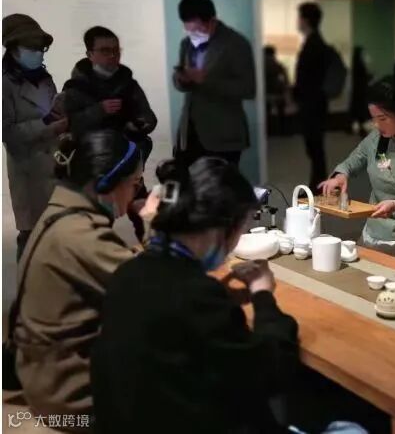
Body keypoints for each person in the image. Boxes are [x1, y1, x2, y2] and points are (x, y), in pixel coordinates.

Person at [92, 157, 299, 434]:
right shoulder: (198, 296)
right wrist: (262, 294)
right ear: (222, 228)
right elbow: (272, 369)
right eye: (240, 230)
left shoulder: (127, 274)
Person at [10, 129, 145, 426]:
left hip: (43, 375)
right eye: (135, 184)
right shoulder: (80, 234)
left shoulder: (61, 211)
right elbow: (153, 290)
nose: (136, 194)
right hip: (70, 398)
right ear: (106, 184)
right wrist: (155, 230)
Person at [319, 79, 395, 256]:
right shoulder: (376, 138)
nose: (377, 125)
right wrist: (341, 175)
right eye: (374, 119)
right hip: (371, 233)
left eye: (383, 118)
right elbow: (354, 160)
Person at [62, 26, 157, 242]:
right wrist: (99, 111)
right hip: (94, 167)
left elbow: (149, 118)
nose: (113, 56)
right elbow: (70, 125)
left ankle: (153, 252)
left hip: (126, 161)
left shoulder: (128, 84)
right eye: (105, 50)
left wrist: (136, 126)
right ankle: (100, 256)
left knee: (143, 214)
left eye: (116, 50)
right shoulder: (76, 87)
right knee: (98, 221)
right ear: (90, 54)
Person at [2, 14, 68, 260]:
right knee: (31, 235)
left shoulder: (44, 78)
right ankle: (27, 280)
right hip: (27, 168)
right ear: (13, 48)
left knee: (56, 231)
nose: (38, 53)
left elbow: (50, 110)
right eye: (31, 47)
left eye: (40, 47)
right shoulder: (5, 84)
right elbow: (7, 132)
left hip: (54, 162)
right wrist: (47, 124)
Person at [173, 0, 256, 168]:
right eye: (189, 30)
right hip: (190, 133)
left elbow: (248, 89)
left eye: (197, 30)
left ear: (211, 21)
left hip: (223, 136)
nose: (193, 35)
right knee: (187, 181)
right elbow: (181, 80)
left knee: (221, 184)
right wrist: (182, 79)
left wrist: (206, 81)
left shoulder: (236, 44)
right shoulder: (186, 44)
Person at [294, 2, 329, 192]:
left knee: (315, 148)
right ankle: (317, 185)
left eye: (299, 17)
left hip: (312, 105)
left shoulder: (314, 44)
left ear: (306, 20)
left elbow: (308, 78)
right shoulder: (314, 42)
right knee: (315, 148)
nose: (297, 21)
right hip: (314, 104)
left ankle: (318, 187)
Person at [264, 45, 289, 136]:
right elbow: (285, 77)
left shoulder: (261, 64)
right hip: (277, 91)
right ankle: (283, 131)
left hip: (266, 91)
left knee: (266, 112)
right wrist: (285, 87)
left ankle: (268, 131)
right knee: (281, 112)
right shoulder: (277, 64)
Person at [349, 46, 372, 138]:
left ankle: (357, 128)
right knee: (361, 110)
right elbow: (363, 77)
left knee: (357, 110)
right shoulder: (360, 65)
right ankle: (361, 129)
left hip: (357, 91)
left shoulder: (355, 63)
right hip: (361, 91)